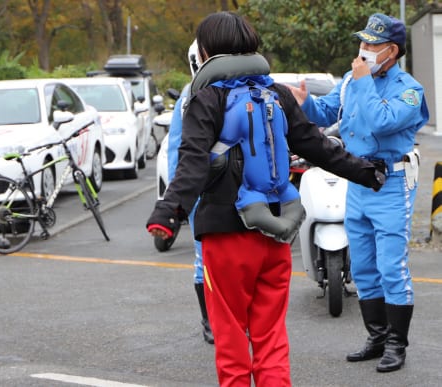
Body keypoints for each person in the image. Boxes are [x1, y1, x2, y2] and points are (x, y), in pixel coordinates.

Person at [146, 11, 385, 387]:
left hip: (225, 237)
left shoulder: (206, 98)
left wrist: (167, 213)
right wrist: (368, 173)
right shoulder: (276, 95)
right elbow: (318, 147)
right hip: (275, 233)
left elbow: (191, 162)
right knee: (271, 337)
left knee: (231, 337)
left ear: (206, 50)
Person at [287, 13, 429, 373]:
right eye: (362, 43)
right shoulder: (352, 80)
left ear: (392, 51)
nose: (363, 50)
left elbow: (384, 120)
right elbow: (327, 112)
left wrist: (363, 82)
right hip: (357, 178)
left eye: (372, 44)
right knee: (363, 267)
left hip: (392, 183)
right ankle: (377, 337)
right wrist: (305, 104)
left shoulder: (409, 89)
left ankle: (397, 344)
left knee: (391, 267)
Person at [166, 40, 213, 344]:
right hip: (201, 190)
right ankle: (209, 320)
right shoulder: (187, 96)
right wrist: (177, 199)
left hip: (237, 190)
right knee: (203, 258)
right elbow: (175, 148)